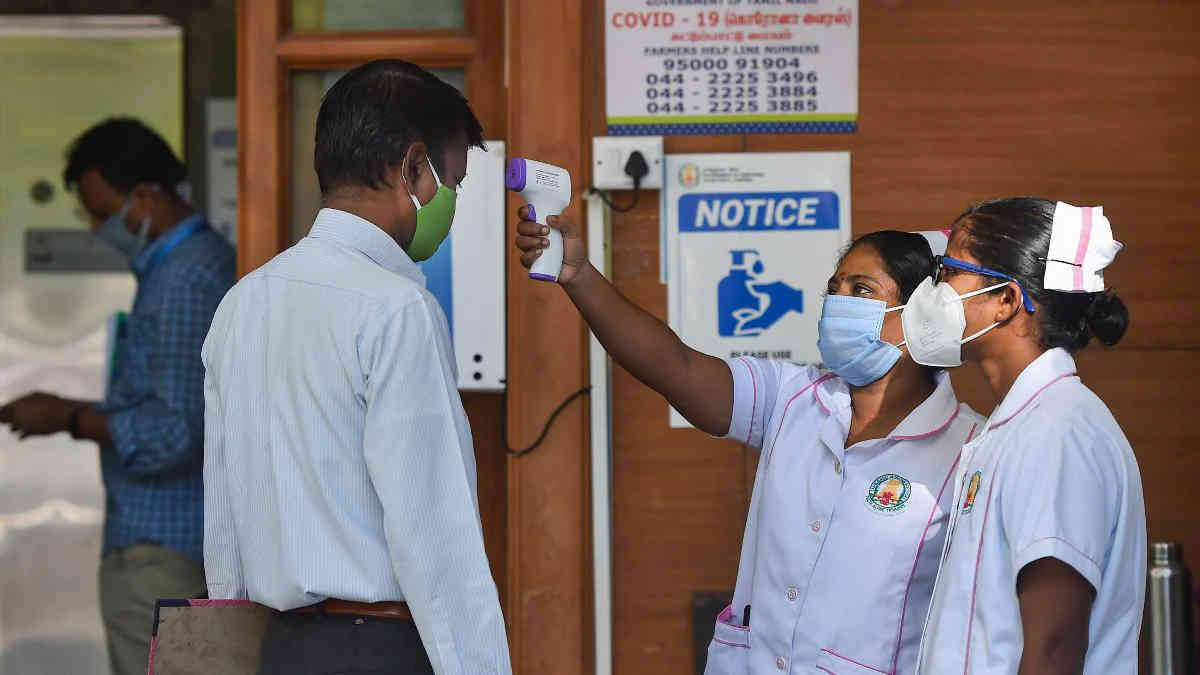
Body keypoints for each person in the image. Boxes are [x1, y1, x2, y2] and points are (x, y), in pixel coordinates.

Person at [514, 215, 985, 673]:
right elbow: (675, 367)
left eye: (861, 290)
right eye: (834, 288)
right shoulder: (793, 398)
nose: (838, 302)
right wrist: (580, 276)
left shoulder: (969, 450)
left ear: (925, 312)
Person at [202, 60, 510, 675]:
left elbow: (223, 519)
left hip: (277, 649)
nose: (450, 203)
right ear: (411, 168)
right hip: (378, 649)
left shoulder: (242, 303)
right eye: (451, 182)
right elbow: (436, 536)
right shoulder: (399, 310)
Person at [0, 118, 234, 675]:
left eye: (103, 214)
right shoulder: (179, 269)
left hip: (164, 547)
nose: (97, 229)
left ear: (145, 197)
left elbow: (175, 431)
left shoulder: (184, 279)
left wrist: (69, 418)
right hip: (167, 543)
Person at [912, 198, 1146, 673]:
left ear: (1007, 300)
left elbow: (1054, 646)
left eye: (948, 271)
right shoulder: (1019, 425)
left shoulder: (1057, 432)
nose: (932, 290)